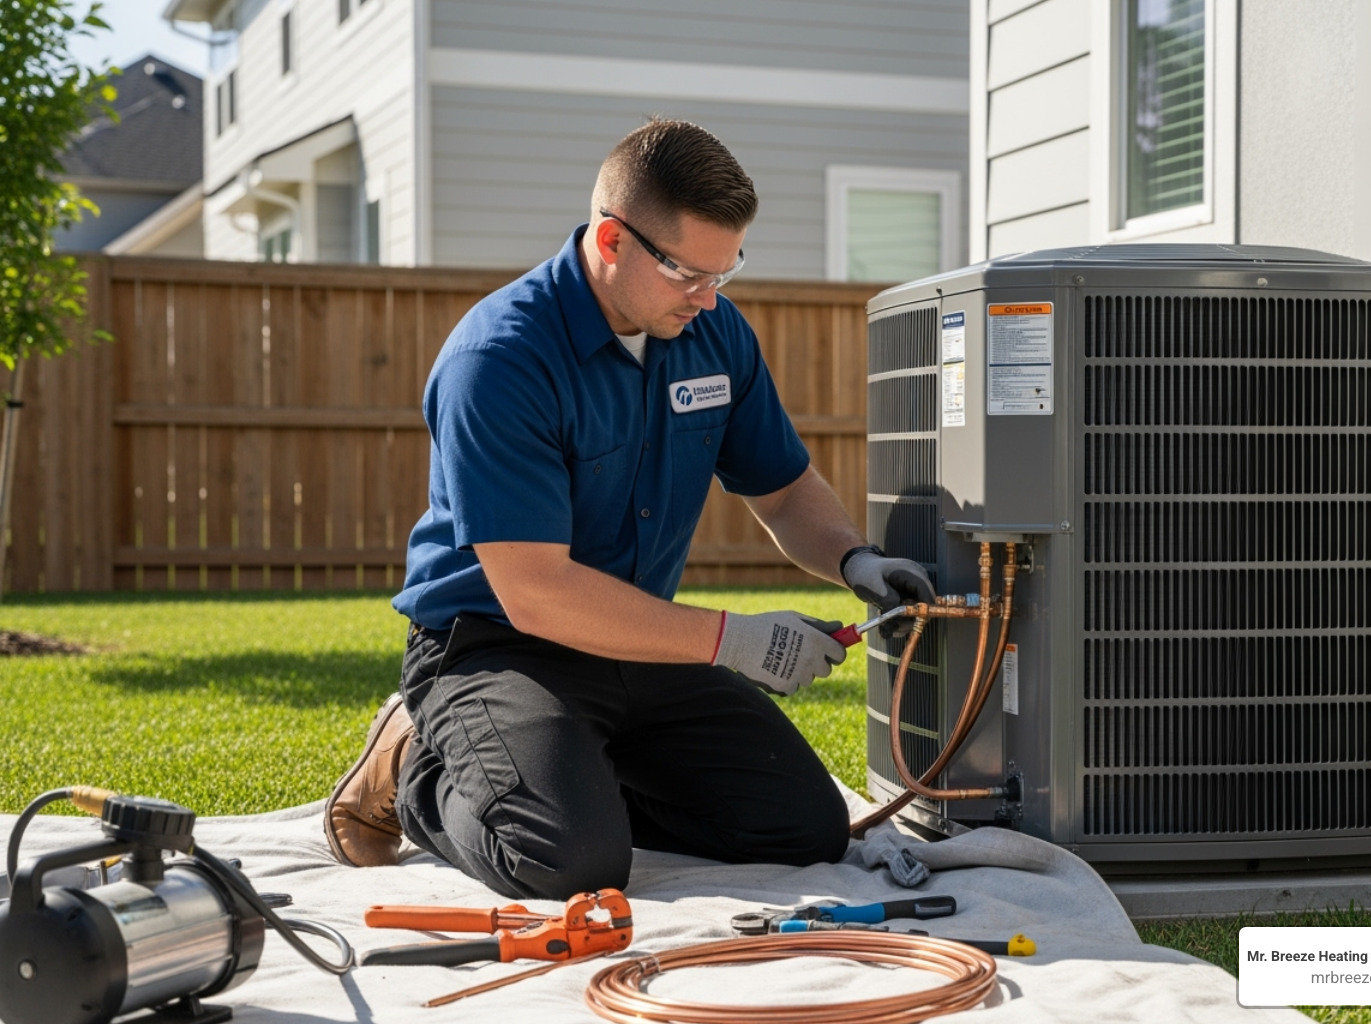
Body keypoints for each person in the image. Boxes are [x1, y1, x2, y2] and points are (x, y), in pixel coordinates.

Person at [322, 118, 934, 900]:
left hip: (638, 641)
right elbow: (536, 593)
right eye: (689, 274)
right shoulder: (500, 361)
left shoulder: (713, 335)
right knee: (567, 862)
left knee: (801, 829)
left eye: (726, 272)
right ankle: (414, 762)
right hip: (496, 647)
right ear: (613, 242)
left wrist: (857, 561)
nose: (710, 299)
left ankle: (572, 773)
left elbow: (781, 490)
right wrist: (734, 639)